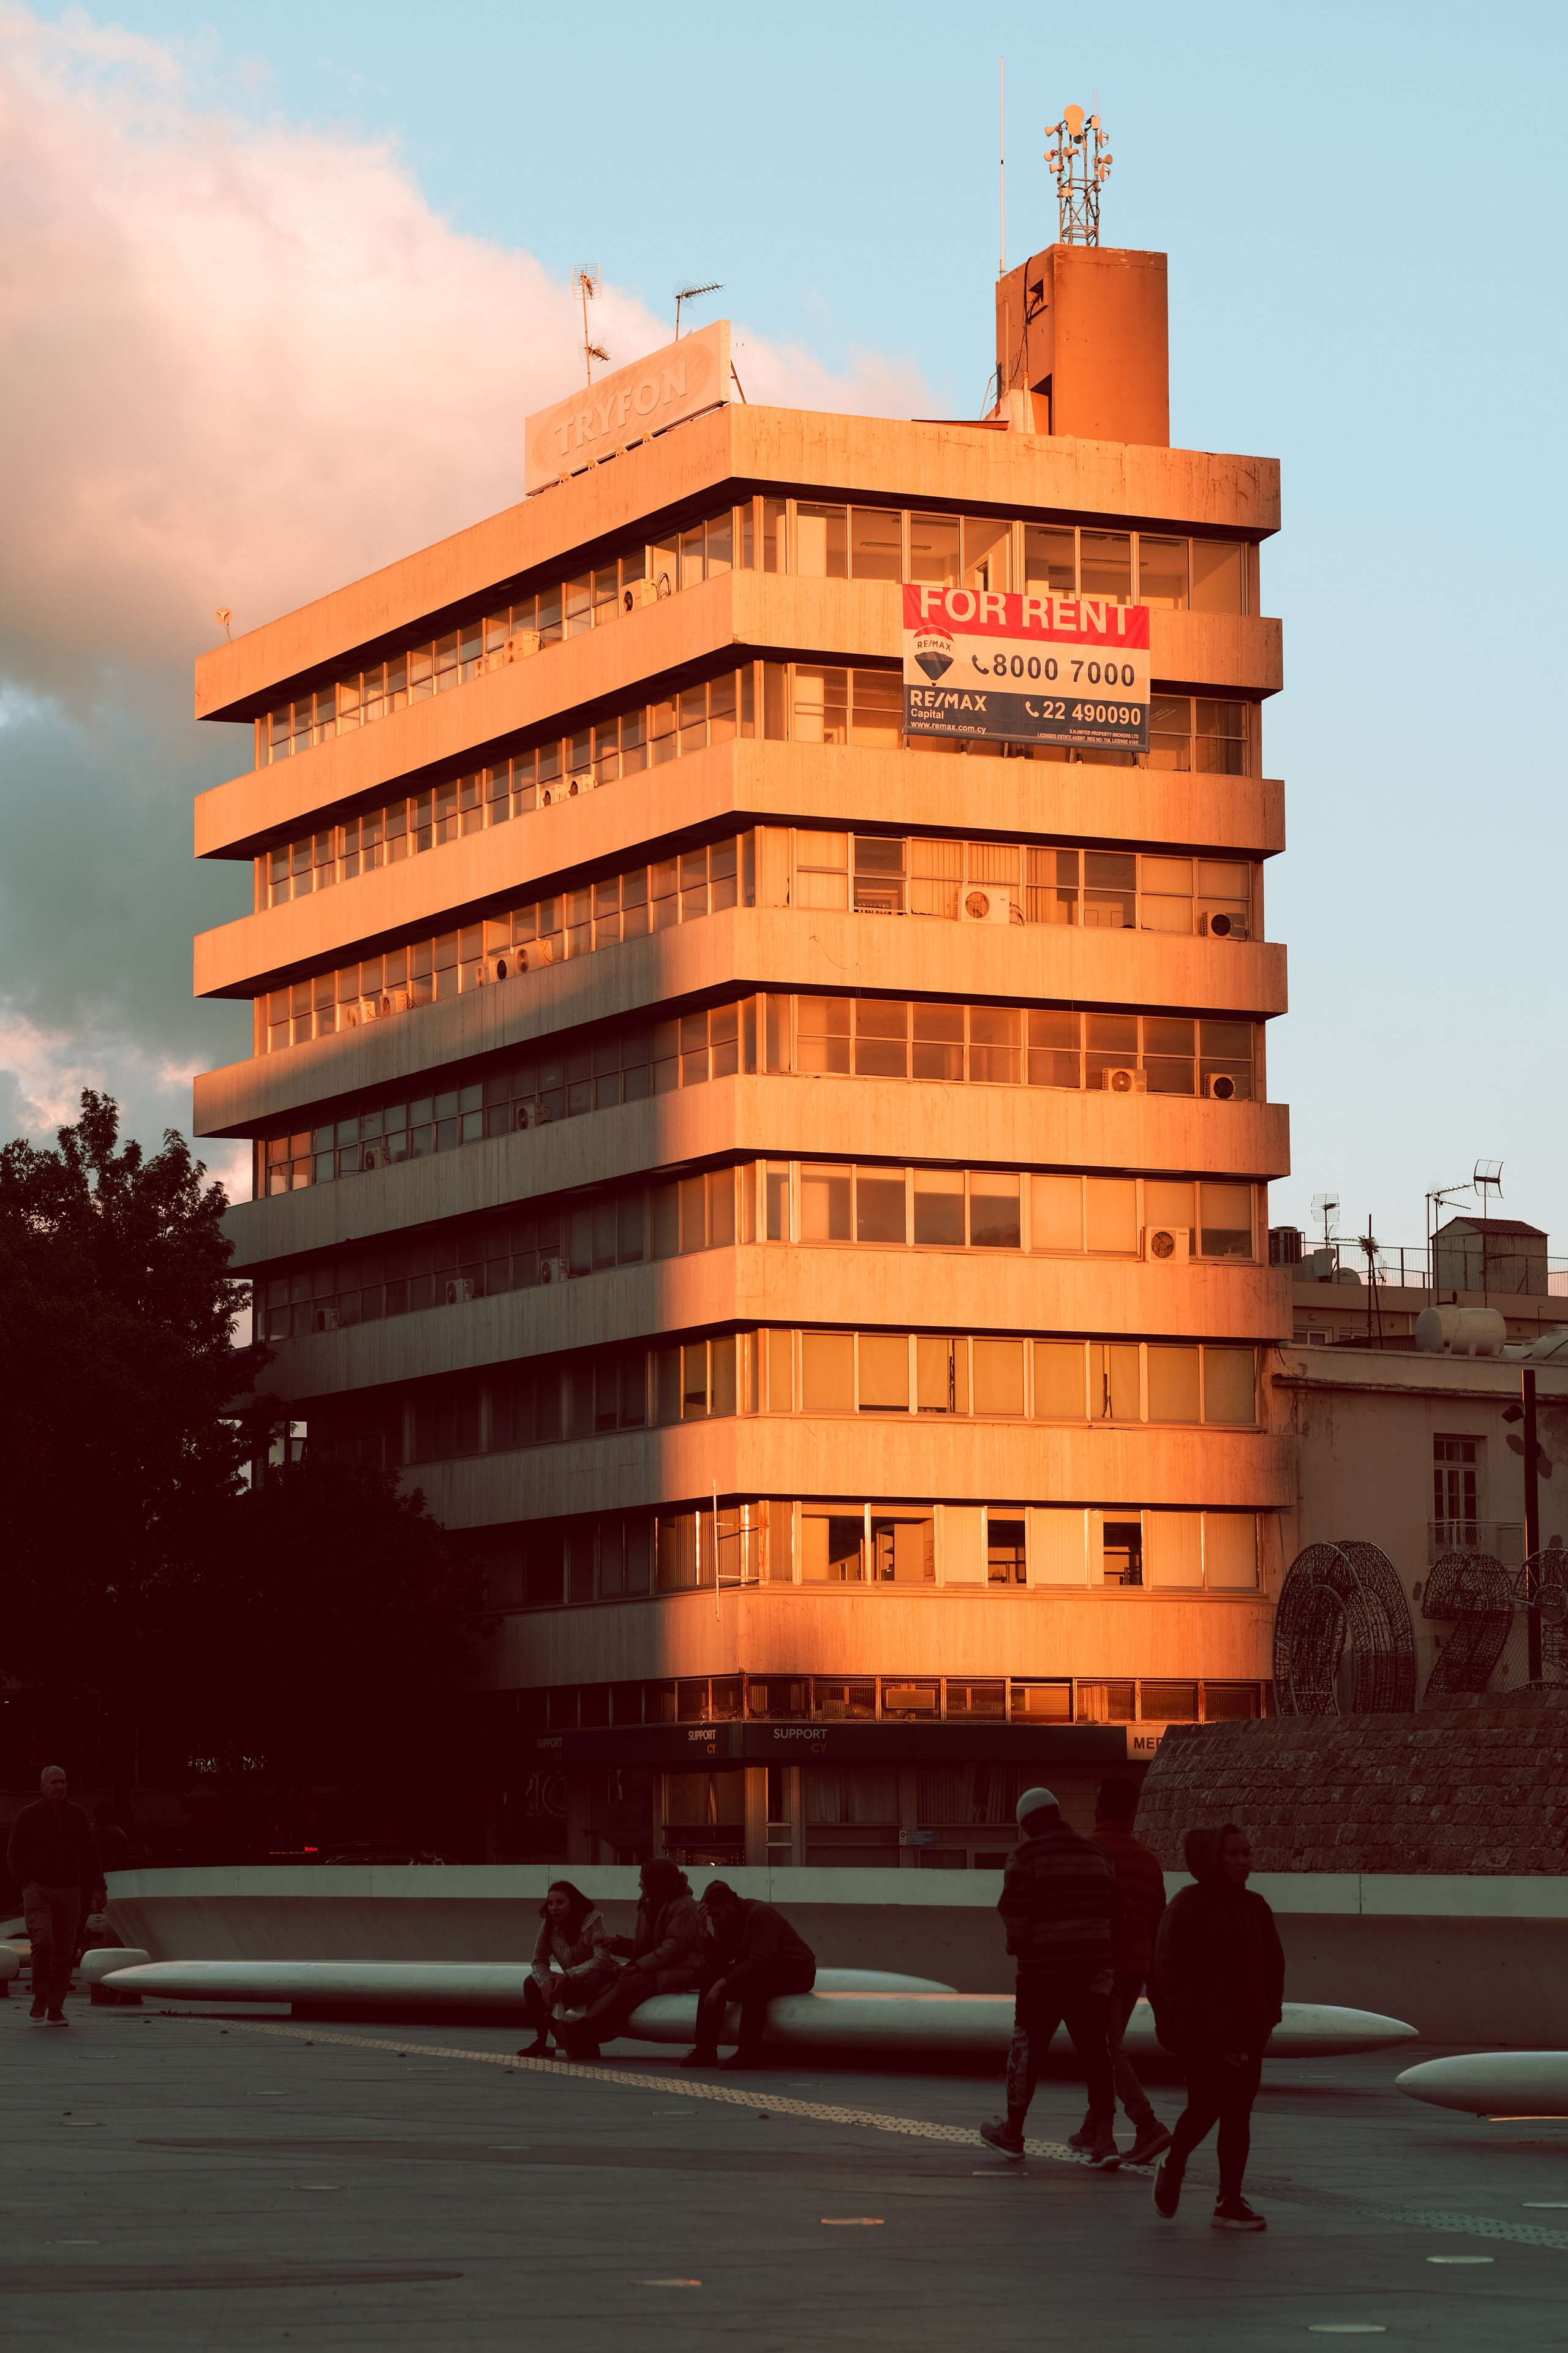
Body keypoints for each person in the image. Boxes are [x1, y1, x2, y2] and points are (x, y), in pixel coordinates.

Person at [1149, 1824, 1284, 2232]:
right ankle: (1173, 2164)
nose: (1244, 1860)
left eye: (1247, 1852)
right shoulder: (1188, 1906)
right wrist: (1211, 2031)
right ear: (1213, 1858)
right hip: (1203, 2034)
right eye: (1233, 1853)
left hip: (1247, 2034)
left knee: (1238, 2115)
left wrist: (1264, 2021)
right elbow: (1170, 1971)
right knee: (1206, 2106)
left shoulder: (1256, 1907)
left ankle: (1229, 2199)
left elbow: (1272, 1967)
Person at [979, 1786, 1123, 2168]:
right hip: (1093, 1972)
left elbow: (1015, 1918)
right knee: (1096, 2052)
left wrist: (1018, 1948)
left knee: (1027, 2053)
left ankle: (1012, 2133)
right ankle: (1105, 2140)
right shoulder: (1099, 1856)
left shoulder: (1025, 1858)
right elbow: (1116, 1911)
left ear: (1029, 1822)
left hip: (1041, 1974)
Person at [1066, 1777, 1172, 2167]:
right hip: (1135, 1970)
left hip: (1099, 1968)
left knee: (1106, 2050)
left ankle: (1147, 2124)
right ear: (1133, 1811)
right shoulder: (1148, 1859)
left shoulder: (1089, 1851)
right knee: (1108, 2045)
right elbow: (1157, 1922)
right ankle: (1093, 2126)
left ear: (1098, 1807)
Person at [559, 1858, 706, 2060]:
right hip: (662, 1966)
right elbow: (646, 1948)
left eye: (642, 1879)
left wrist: (637, 1967)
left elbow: (675, 1948)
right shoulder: (650, 1906)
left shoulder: (685, 1906)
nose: (639, 1884)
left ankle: (582, 2030)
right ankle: (587, 2038)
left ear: (656, 1881)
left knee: (632, 1982)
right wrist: (617, 1943)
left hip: (686, 1970)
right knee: (614, 1980)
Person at [7, 1766, 105, 2026]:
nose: (59, 1786)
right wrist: (26, 1884)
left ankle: (56, 2007)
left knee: (64, 1952)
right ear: (42, 1786)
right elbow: (13, 1853)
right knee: (44, 1942)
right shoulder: (27, 1815)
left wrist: (99, 1887)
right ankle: (39, 1995)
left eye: (63, 1782)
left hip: (71, 1892)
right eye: (54, 1782)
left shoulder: (78, 1814)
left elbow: (91, 1853)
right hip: (38, 1890)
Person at [684, 1881, 816, 2069]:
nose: (715, 1921)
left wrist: (722, 1984)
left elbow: (760, 1962)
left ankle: (749, 2051)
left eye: (717, 1915)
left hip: (798, 1971)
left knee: (754, 1983)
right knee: (711, 1975)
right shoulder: (727, 1920)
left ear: (730, 1905)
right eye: (711, 1917)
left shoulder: (760, 1914)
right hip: (766, 1970)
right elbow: (719, 1962)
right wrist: (704, 1933)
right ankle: (705, 2049)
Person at [519, 1881, 612, 2057]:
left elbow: (602, 1960)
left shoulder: (592, 1921)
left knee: (596, 1977)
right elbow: (539, 1960)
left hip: (599, 1984)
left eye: (560, 1902)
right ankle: (542, 2041)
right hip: (573, 1984)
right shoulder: (549, 1925)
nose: (554, 1908)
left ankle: (589, 2041)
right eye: (550, 1903)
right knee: (531, 1983)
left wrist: (568, 1976)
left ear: (573, 1903)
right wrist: (545, 1982)